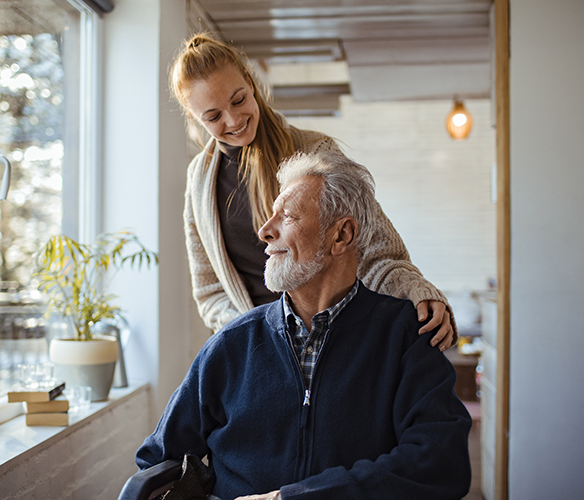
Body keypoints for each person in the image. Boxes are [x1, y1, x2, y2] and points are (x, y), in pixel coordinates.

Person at [136, 151, 472, 500]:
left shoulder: (405, 338)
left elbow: (440, 461)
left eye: (288, 217)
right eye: (270, 217)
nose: (265, 231)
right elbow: (156, 461)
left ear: (341, 236)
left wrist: (293, 497)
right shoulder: (232, 343)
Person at [172, 32, 457, 351]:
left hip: (335, 344)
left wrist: (416, 290)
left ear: (251, 84)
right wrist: (251, 334)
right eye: (213, 116)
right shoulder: (199, 181)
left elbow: (375, 251)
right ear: (195, 118)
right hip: (257, 353)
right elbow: (209, 290)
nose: (234, 119)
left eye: (239, 100)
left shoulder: (315, 152)